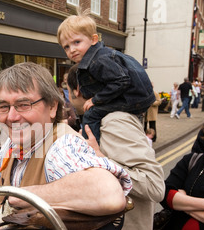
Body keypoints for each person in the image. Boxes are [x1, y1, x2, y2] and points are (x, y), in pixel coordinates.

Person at [0, 62, 132, 230]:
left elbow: (109, 194)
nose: (11, 116)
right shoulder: (11, 144)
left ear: (52, 107)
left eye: (23, 104)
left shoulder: (62, 145)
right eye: (3, 106)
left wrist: (20, 197)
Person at [66, 64, 165, 230]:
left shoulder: (114, 121)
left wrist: (103, 161)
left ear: (77, 90)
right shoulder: (96, 119)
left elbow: (154, 185)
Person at [57, 9, 155, 144]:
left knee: (91, 114)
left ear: (93, 39)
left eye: (76, 42)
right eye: (66, 47)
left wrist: (96, 100)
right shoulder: (98, 57)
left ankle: (90, 146)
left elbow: (121, 81)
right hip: (136, 96)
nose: (71, 49)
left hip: (134, 98)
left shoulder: (99, 60)